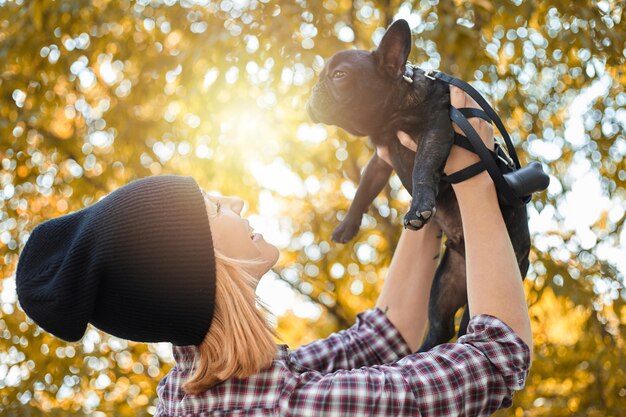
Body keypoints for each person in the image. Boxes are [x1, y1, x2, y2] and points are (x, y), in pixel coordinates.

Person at [15, 86, 532, 416]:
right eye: (215, 207)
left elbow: (387, 332)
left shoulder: (207, 385)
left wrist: (426, 185)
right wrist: (470, 177)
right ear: (205, 271)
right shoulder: (281, 409)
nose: (235, 199)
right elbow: (497, 357)